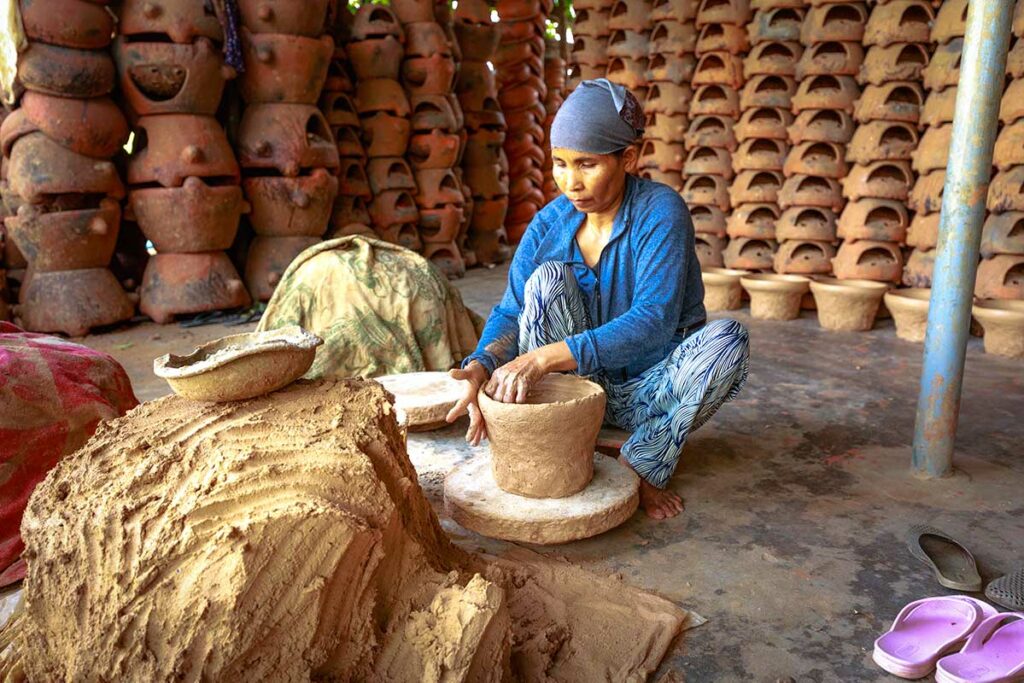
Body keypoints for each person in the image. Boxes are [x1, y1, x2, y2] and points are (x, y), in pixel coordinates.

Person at [446, 79, 750, 520]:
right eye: (560, 164)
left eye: (587, 164)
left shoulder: (660, 211)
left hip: (653, 388)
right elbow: (511, 311)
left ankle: (645, 461)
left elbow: (654, 319)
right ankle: (560, 437)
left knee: (728, 342)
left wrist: (542, 359)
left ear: (628, 158)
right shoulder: (550, 223)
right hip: (577, 387)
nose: (571, 182)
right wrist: (480, 366)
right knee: (546, 280)